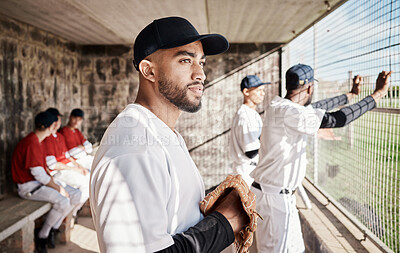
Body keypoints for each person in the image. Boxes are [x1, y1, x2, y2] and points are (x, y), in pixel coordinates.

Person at [90, 16, 249, 253]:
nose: (200, 75)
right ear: (149, 71)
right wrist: (225, 222)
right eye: (185, 60)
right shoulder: (134, 147)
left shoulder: (161, 132)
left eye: (202, 63)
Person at [250, 63, 392, 253]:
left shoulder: (280, 105)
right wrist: (378, 94)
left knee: (296, 249)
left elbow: (316, 107)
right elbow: (337, 119)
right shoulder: (291, 112)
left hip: (277, 196)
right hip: (274, 200)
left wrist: (350, 95)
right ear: (310, 88)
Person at [11, 111, 81, 253]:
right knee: (63, 201)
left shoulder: (38, 140)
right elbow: (39, 175)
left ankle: (53, 228)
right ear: (49, 127)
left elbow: (43, 173)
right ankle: (43, 235)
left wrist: (58, 185)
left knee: (76, 194)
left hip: (38, 183)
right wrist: (58, 188)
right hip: (28, 186)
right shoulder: (32, 142)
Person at [43, 108, 90, 217]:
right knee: (84, 186)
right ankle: (69, 215)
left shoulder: (59, 136)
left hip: (67, 167)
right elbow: (53, 165)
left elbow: (67, 156)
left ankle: (70, 214)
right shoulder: (47, 137)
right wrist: (75, 168)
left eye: (58, 119)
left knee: (89, 179)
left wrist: (79, 167)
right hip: (57, 172)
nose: (56, 122)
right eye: (54, 120)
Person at [228, 75, 270, 187]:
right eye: (259, 90)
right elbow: (250, 151)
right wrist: (269, 137)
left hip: (247, 170)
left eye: (263, 90)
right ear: (246, 92)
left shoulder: (249, 113)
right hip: (247, 173)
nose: (263, 93)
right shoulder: (246, 116)